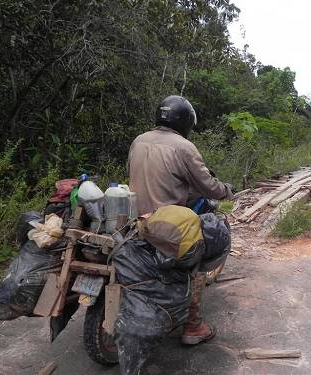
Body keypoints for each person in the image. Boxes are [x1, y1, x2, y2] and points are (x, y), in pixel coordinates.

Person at [128, 95, 234, 345]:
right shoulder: (184, 147)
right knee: (200, 252)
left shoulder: (138, 141)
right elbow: (207, 186)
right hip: (167, 227)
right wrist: (227, 190)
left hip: (135, 219)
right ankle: (193, 325)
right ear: (185, 121)